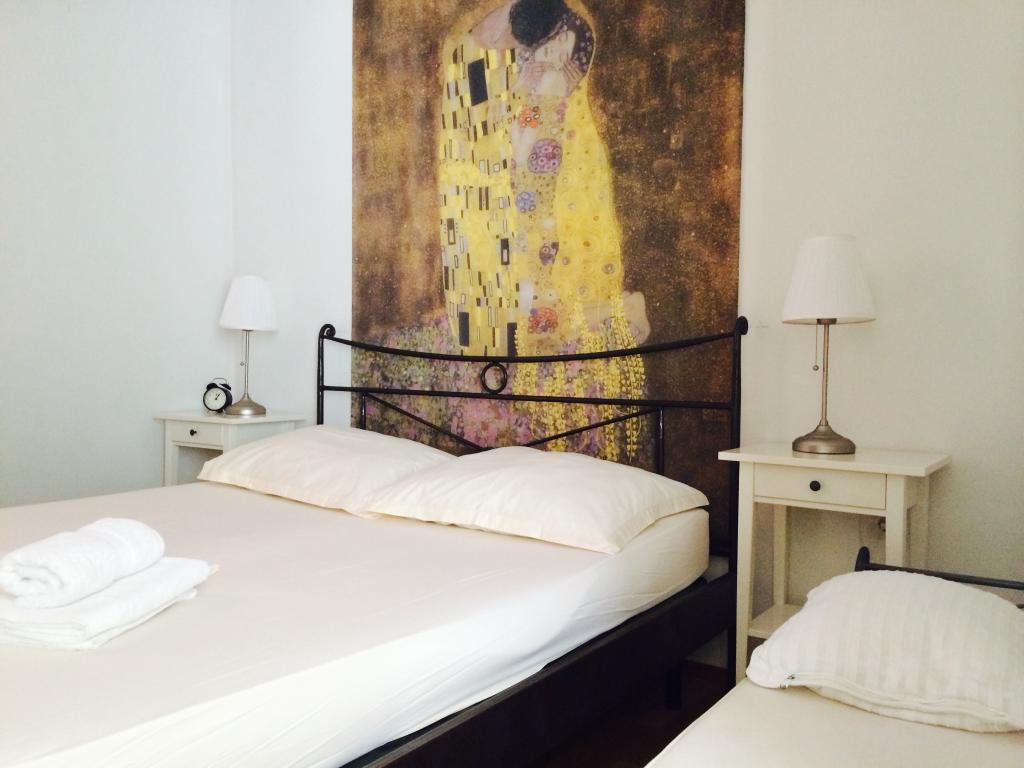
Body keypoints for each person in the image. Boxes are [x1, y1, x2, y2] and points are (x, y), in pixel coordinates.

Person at [438, 0, 649, 360]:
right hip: (525, 181)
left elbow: (533, 135)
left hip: (547, 182)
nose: (550, 55)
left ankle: (605, 313)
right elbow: (498, 122)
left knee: (540, 285)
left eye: (555, 49)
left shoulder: (562, 55)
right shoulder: (502, 52)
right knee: (530, 288)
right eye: (546, 51)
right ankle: (603, 312)